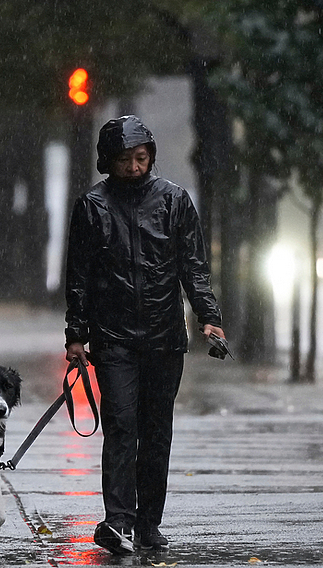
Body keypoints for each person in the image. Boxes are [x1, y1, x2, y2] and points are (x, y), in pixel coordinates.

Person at [63, 114, 226, 554]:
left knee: (156, 432)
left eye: (141, 158)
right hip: (113, 338)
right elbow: (78, 276)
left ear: (151, 155)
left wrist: (209, 316)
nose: (134, 167)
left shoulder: (174, 201)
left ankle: (148, 523)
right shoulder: (92, 208)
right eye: (124, 160)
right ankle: (118, 521)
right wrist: (76, 335)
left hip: (164, 338)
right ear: (108, 162)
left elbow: (193, 266)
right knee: (120, 426)